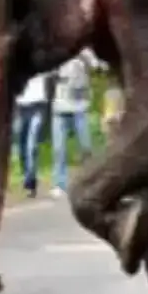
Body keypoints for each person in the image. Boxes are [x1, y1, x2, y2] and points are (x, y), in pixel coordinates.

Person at [49, 50, 97, 198]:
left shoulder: (85, 51)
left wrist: (83, 57)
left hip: (80, 106)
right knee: (59, 149)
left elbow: (96, 66)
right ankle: (59, 184)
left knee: (86, 147)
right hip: (60, 106)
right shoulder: (59, 49)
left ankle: (91, 183)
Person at [14, 72, 49, 199]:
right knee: (21, 146)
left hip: (38, 106)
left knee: (31, 145)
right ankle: (26, 175)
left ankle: (31, 182)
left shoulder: (40, 60)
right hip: (21, 107)